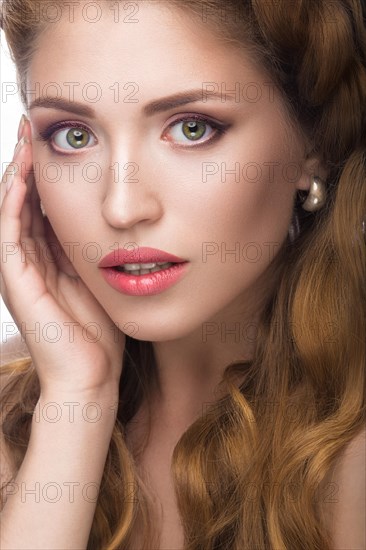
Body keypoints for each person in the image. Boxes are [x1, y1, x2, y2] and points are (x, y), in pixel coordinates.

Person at [0, 0, 365, 548]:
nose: (122, 208)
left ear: (313, 143)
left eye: (192, 128)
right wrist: (77, 402)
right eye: (74, 136)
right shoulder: (18, 411)